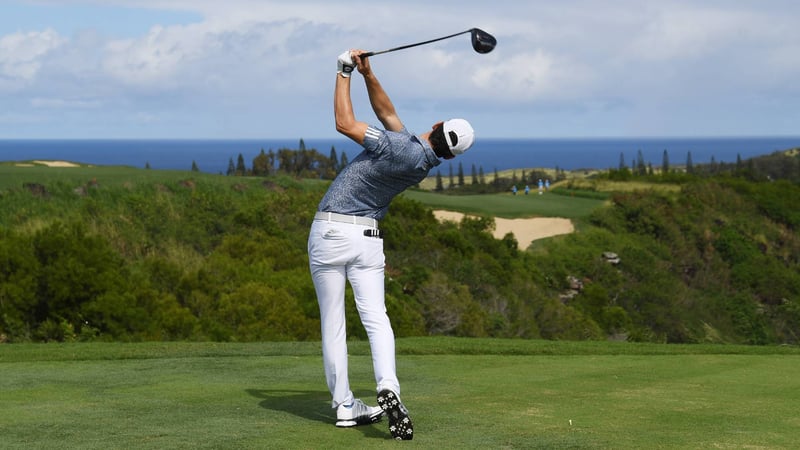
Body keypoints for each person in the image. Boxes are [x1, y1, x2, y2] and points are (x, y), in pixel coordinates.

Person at [307, 49, 475, 440]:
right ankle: (388, 389)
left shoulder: (401, 148)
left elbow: (344, 122)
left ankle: (345, 406)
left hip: (331, 233)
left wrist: (343, 71)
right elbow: (387, 114)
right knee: (376, 319)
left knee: (334, 323)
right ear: (449, 154)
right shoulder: (419, 159)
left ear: (435, 124)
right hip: (367, 242)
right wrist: (370, 74)